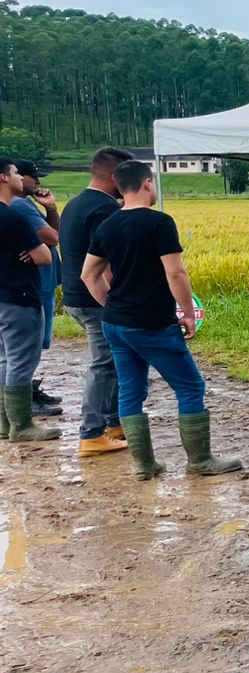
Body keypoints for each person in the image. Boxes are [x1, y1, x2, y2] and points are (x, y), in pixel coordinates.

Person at [81, 159, 241, 478]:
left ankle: (144, 465)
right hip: (152, 323)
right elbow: (175, 272)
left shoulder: (108, 225)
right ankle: (199, 460)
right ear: (146, 184)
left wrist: (114, 304)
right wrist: (189, 313)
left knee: (131, 389)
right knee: (190, 386)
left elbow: (88, 274)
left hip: (115, 323)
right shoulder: (159, 222)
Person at [58, 146, 133, 454]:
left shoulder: (75, 203)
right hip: (95, 297)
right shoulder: (106, 210)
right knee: (103, 363)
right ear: (116, 177)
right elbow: (109, 261)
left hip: (75, 296)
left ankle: (115, 423)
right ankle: (91, 433)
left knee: (112, 361)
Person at [0, 157, 58, 443]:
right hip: (19, 296)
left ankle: (4, 424)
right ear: (3, 178)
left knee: (3, 359)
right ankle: (22, 425)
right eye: (14, 173)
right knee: (21, 361)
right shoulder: (13, 216)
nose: (20, 178)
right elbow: (44, 256)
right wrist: (29, 250)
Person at [13, 160, 62, 415]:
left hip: (42, 281)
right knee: (28, 345)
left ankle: (28, 390)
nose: (38, 182)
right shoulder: (20, 204)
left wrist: (51, 208)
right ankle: (25, 399)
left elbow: (54, 231)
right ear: (18, 178)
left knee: (31, 345)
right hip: (36, 283)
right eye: (33, 177)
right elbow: (53, 237)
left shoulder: (26, 204)